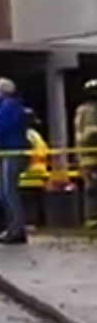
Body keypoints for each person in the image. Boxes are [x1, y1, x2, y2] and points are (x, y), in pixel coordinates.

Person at [0, 77, 30, 245]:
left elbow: (2, 126)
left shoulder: (10, 106)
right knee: (4, 192)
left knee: (8, 191)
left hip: (12, 150)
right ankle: (12, 227)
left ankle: (17, 229)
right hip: (4, 151)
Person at [73, 80, 97, 231]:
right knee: (92, 190)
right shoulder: (87, 111)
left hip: (86, 157)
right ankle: (92, 220)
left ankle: (92, 220)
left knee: (91, 190)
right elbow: (87, 134)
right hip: (90, 157)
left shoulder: (82, 110)